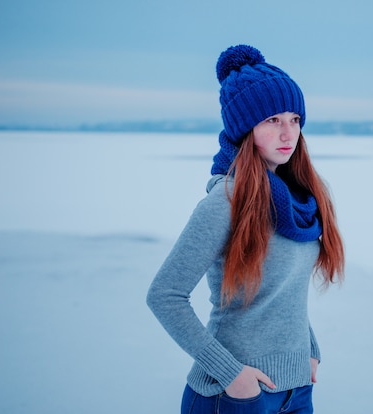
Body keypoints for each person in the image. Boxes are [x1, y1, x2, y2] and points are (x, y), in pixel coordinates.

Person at [146, 44, 345, 414]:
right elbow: (165, 295)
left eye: (295, 120)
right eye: (272, 120)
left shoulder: (303, 198)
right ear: (245, 128)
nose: (288, 133)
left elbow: (282, 294)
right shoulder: (225, 203)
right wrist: (233, 375)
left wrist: (310, 350)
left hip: (297, 391)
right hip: (234, 397)